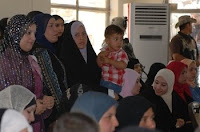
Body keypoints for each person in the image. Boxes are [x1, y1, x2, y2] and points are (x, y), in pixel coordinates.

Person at [0, 14, 54, 132]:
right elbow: (7, 100)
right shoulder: (4, 63)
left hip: (36, 123)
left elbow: (37, 91)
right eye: (28, 33)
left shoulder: (31, 60)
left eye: (34, 33)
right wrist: (33, 107)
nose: (33, 38)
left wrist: (45, 99)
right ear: (15, 35)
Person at [33, 13, 68, 130]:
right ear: (40, 29)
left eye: (57, 25)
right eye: (51, 26)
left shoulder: (49, 49)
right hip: (50, 113)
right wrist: (63, 111)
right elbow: (52, 85)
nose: (56, 30)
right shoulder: (41, 52)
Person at [58, 20, 102, 90]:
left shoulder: (92, 57)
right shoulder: (65, 61)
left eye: (83, 34)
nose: (81, 38)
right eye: (77, 35)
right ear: (70, 38)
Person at [97, 24, 129, 95]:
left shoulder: (121, 53)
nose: (119, 42)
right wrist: (99, 56)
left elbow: (123, 65)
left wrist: (109, 61)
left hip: (115, 83)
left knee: (110, 100)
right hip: (104, 81)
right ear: (107, 41)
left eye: (121, 39)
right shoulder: (104, 51)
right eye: (116, 39)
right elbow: (99, 65)